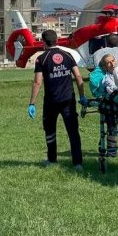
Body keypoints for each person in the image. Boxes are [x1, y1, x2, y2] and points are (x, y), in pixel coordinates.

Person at [28, 30, 89, 171]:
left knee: (50, 130)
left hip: (51, 101)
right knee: (73, 131)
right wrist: (82, 96)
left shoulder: (41, 58)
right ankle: (78, 163)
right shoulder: (68, 55)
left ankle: (52, 160)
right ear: (57, 40)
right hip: (68, 100)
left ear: (43, 42)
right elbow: (78, 77)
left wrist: (32, 103)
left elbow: (37, 82)